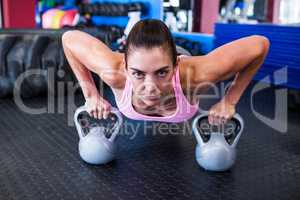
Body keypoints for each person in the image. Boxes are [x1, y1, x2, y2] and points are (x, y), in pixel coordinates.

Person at [62, 19, 269, 125]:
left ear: (175, 65)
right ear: (125, 67)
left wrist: (229, 101)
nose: (150, 88)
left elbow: (260, 44)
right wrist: (91, 96)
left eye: (161, 73)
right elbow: (69, 38)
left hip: (179, 55)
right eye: (138, 74)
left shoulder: (196, 76)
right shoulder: (114, 72)